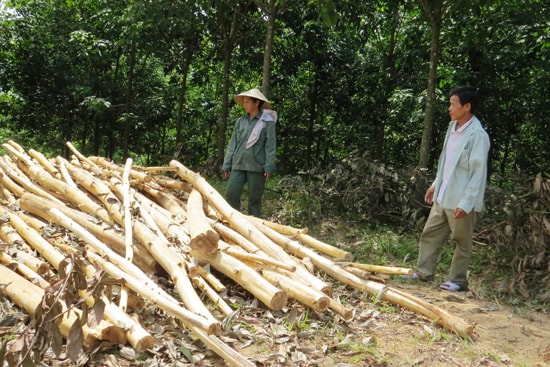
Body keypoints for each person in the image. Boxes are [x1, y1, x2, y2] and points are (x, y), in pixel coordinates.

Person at [411, 86, 490, 292]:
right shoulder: (452, 127)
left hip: (461, 198)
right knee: (430, 233)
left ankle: (457, 280)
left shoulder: (477, 135)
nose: (449, 108)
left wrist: (467, 203)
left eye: (454, 104)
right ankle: (423, 272)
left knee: (461, 241)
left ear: (467, 107)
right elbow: (447, 161)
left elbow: (477, 174)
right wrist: (436, 184)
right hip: (443, 194)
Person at [222, 88, 277, 217]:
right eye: (244, 102)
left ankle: (254, 228)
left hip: (256, 166)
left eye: (247, 102)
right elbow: (233, 144)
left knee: (254, 200)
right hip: (238, 164)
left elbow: (270, 146)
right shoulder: (241, 121)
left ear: (256, 102)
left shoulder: (266, 122)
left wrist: (269, 166)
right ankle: (233, 222)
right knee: (231, 195)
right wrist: (227, 164)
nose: (245, 105)